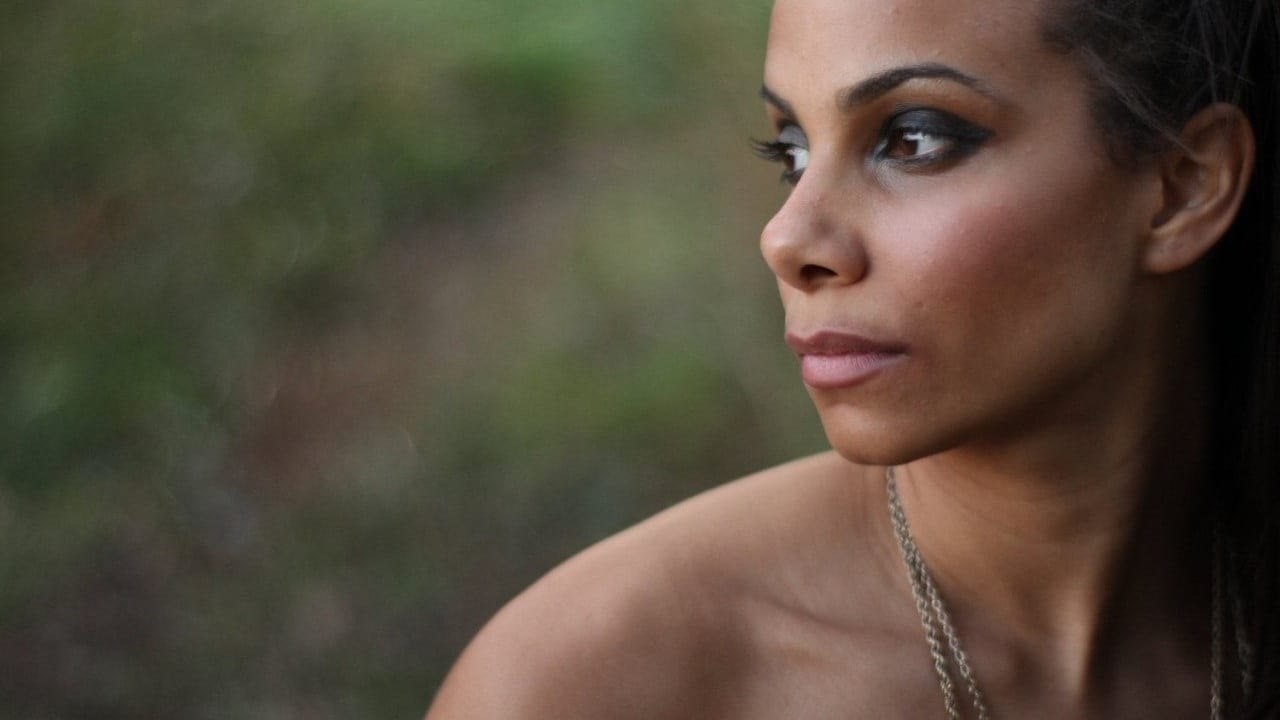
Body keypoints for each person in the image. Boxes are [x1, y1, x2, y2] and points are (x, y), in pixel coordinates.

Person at [426, 0, 1279, 716]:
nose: (788, 238)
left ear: (1184, 187)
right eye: (791, 153)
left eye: (913, 139)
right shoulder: (587, 682)